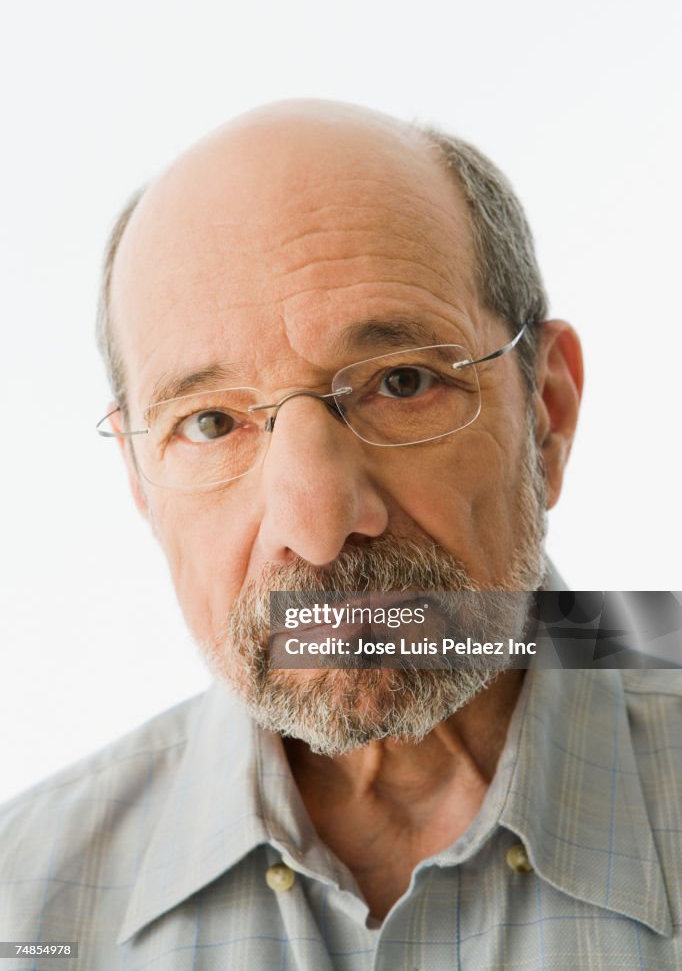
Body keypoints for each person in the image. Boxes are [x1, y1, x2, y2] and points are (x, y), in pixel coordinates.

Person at [1, 100, 680, 969]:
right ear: (139, 479)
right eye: (211, 424)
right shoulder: (23, 906)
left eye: (401, 382)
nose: (317, 530)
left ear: (546, 413)